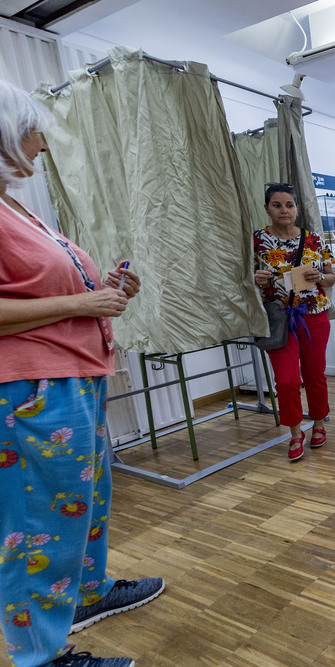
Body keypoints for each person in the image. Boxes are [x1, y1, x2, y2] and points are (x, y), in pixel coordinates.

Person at [0, 81, 164, 667]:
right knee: (36, 523)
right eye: (32, 130)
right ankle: (37, 657)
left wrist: (103, 292)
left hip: (72, 376)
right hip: (27, 386)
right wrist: (80, 305)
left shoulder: (15, 206)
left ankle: (86, 594)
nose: (42, 143)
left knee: (83, 500)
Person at [253, 183, 335, 462]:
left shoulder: (314, 239)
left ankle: (320, 423)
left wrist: (320, 278)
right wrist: (255, 279)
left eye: (289, 205)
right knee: (287, 381)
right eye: (277, 205)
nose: (284, 210)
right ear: (267, 209)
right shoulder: (257, 241)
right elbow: (243, 277)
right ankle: (295, 433)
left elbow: (331, 276)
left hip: (314, 316)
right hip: (278, 319)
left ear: (297, 208)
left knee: (315, 375)